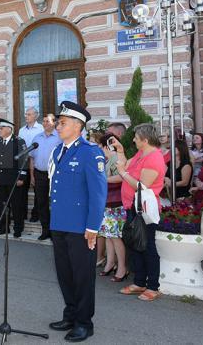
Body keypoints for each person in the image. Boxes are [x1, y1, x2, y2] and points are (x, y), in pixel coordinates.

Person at [47, 102, 106, 342]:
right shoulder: (57, 150)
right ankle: (70, 314)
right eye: (58, 122)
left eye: (62, 123)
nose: (57, 126)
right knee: (64, 274)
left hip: (81, 227)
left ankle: (84, 322)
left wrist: (92, 227)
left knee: (82, 276)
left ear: (78, 126)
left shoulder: (90, 152)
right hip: (59, 223)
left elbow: (98, 193)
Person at [114, 123, 166, 302]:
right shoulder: (141, 153)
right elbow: (126, 165)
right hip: (132, 207)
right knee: (135, 244)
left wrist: (122, 173)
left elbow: (141, 187)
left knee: (148, 247)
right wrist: (120, 151)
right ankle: (139, 282)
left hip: (143, 210)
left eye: (136, 137)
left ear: (145, 139)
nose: (134, 139)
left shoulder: (154, 158)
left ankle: (153, 286)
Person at [95, 133, 129, 283]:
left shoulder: (115, 157)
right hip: (108, 202)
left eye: (99, 146)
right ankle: (110, 263)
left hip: (115, 203)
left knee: (115, 237)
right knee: (108, 236)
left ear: (105, 145)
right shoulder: (109, 159)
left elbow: (122, 177)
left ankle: (122, 267)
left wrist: (103, 179)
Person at [0, 119, 28, 238]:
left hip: (14, 179)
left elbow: (24, 160)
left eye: (1, 128)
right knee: (2, 204)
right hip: (1, 179)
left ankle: (18, 228)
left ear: (9, 129)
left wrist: (21, 177)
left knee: (16, 205)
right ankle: (3, 228)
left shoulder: (18, 141)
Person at [29, 114, 62, 240]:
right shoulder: (37, 138)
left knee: (55, 203)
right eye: (43, 121)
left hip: (55, 175)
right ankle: (45, 230)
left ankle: (55, 231)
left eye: (48, 121)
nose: (45, 123)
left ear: (54, 123)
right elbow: (32, 158)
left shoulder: (59, 138)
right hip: (39, 174)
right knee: (41, 203)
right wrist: (32, 175)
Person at [18, 107, 44, 222]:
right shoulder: (21, 130)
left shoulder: (41, 129)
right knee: (22, 189)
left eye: (29, 114)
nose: (26, 116)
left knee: (37, 190)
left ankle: (35, 214)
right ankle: (21, 213)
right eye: (25, 114)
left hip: (36, 162)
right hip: (24, 163)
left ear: (36, 116)